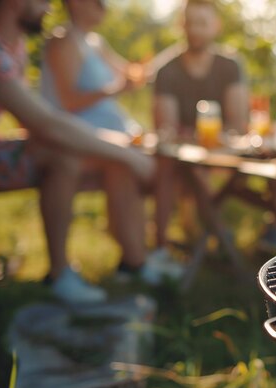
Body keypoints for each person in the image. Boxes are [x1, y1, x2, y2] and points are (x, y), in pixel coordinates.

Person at [0, 0, 156, 303]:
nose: (48, 7)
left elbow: (33, 119)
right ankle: (60, 273)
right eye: (41, 0)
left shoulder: (13, 48)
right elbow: (47, 123)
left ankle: (137, 259)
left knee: (73, 153)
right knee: (64, 155)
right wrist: (123, 152)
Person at [39, 0, 184, 283]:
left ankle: (139, 257)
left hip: (115, 139)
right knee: (122, 162)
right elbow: (68, 102)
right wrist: (117, 88)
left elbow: (131, 73)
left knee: (147, 161)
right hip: (79, 140)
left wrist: (175, 52)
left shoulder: (95, 42)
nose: (103, 7)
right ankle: (136, 260)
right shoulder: (63, 41)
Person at [153, 0, 249, 252]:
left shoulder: (230, 66)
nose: (195, 29)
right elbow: (167, 129)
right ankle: (204, 235)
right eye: (190, 22)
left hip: (222, 154)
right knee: (184, 167)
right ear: (181, 25)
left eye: (202, 23)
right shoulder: (166, 70)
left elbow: (238, 124)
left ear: (216, 26)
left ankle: (209, 232)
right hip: (181, 158)